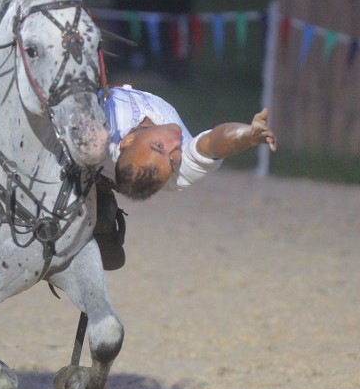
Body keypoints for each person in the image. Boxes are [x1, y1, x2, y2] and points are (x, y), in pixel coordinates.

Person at [93, 84, 277, 269]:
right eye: (172, 160)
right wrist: (247, 136)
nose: (174, 143)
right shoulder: (179, 172)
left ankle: (96, 201)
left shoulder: (104, 131)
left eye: (158, 146)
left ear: (129, 140)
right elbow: (214, 143)